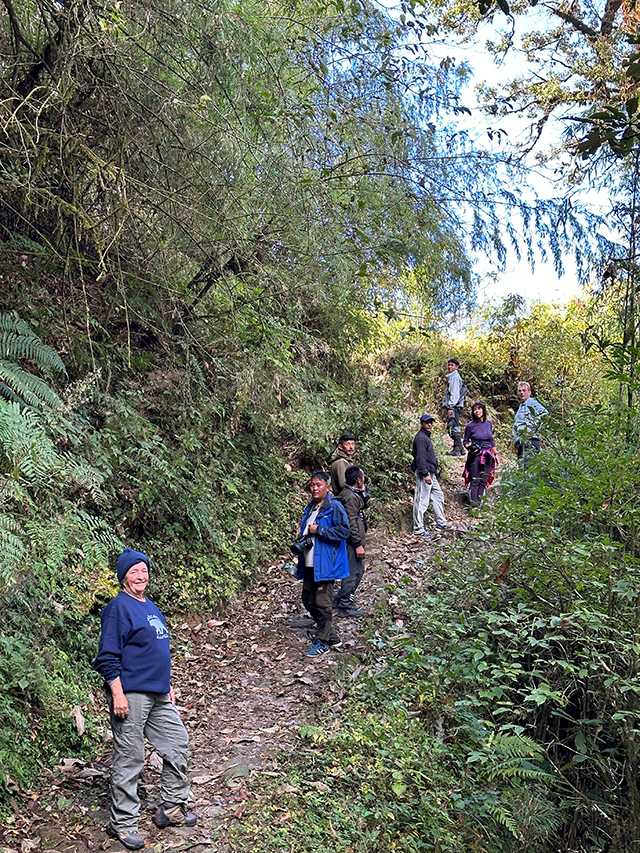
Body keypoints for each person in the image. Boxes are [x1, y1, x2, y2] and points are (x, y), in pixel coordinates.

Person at [93, 549, 196, 851]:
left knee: (177, 742)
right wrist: (117, 693)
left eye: (144, 570)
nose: (141, 576)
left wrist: (168, 684)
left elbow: (156, 651)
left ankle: (172, 807)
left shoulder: (150, 607)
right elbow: (107, 656)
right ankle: (122, 823)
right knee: (131, 756)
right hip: (131, 694)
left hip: (157, 693)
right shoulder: (118, 608)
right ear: (123, 576)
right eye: (134, 571)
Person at [295, 471, 350, 657]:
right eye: (312, 485)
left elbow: (344, 531)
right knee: (307, 600)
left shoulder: (334, 506)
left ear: (327, 487)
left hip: (326, 563)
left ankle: (322, 641)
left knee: (322, 603)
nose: (314, 488)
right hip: (310, 562)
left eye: (318, 485)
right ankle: (331, 635)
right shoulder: (311, 507)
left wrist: (320, 530)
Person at [334, 466, 368, 618]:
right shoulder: (349, 497)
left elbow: (363, 506)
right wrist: (358, 544)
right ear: (358, 480)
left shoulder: (352, 493)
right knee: (354, 572)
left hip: (354, 540)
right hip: (351, 542)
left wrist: (364, 493)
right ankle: (345, 606)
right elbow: (351, 522)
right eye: (362, 477)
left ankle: (341, 598)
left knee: (357, 570)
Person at [411, 414, 452, 536]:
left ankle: (441, 522)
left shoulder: (425, 437)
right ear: (422, 424)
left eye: (431, 422)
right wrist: (425, 474)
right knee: (421, 501)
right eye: (427, 422)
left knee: (438, 496)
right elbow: (420, 458)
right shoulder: (421, 438)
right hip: (425, 473)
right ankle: (418, 529)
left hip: (431, 473)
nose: (429, 424)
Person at [463, 401, 499, 507]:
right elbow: (465, 441)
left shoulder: (488, 424)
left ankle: (479, 506)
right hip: (476, 455)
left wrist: (496, 454)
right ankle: (474, 507)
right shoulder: (470, 426)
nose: (477, 411)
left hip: (488, 455)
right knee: (475, 481)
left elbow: (491, 439)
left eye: (479, 409)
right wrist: (469, 447)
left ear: (483, 410)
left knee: (483, 481)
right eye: (475, 409)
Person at [513, 381, 548, 466]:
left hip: (530, 441)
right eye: (519, 391)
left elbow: (545, 414)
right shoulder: (521, 407)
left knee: (529, 468)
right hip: (521, 442)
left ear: (529, 392)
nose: (521, 392)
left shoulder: (531, 402)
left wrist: (533, 431)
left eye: (524, 390)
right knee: (522, 468)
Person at [442, 357, 466, 456]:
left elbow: (455, 394)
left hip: (454, 406)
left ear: (456, 367)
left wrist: (450, 406)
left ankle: (457, 448)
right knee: (454, 425)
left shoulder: (455, 377)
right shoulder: (453, 376)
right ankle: (460, 448)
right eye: (449, 364)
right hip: (456, 405)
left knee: (452, 426)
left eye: (452, 365)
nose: (449, 367)